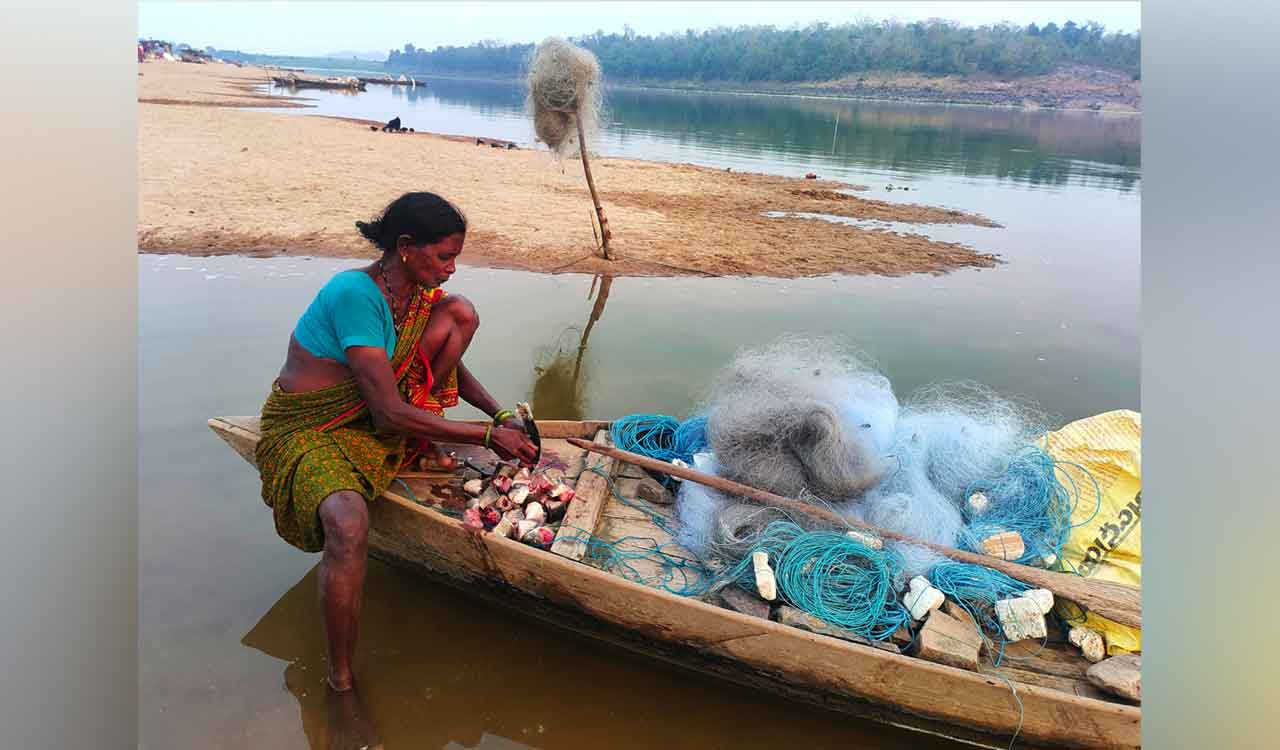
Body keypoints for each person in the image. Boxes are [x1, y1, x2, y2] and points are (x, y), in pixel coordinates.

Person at [255, 191, 538, 693]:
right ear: (406, 246)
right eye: (444, 256)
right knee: (348, 521)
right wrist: (487, 436)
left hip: (376, 414)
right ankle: (340, 682)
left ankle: (421, 434)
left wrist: (497, 413)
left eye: (455, 257)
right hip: (315, 427)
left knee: (461, 313)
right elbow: (386, 409)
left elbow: (438, 362)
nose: (451, 269)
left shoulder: (416, 295)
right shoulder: (355, 294)